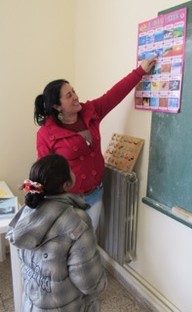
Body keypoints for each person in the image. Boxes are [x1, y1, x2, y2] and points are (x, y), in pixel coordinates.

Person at [34, 57, 157, 230]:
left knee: (90, 239)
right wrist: (32, 190)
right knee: (71, 246)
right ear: (57, 106)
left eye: (74, 91)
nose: (76, 97)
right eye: (69, 95)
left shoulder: (90, 111)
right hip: (68, 201)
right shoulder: (47, 133)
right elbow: (42, 171)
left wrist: (140, 71)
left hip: (95, 193)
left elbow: (115, 94)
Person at [6, 154, 107, 312]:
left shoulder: (27, 211)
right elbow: (88, 282)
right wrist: (101, 283)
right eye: (70, 170)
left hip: (32, 305)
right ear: (67, 185)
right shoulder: (77, 221)